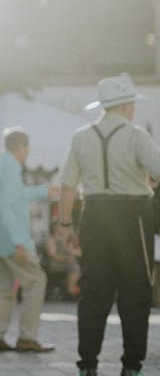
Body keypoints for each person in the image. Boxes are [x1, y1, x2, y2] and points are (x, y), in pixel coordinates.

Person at [57, 74, 160, 376]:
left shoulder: (81, 136)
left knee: (93, 292)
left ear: (104, 106)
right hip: (133, 217)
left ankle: (87, 365)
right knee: (136, 292)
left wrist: (65, 225)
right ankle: (131, 366)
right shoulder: (136, 135)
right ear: (127, 106)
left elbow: (67, 186)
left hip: (95, 214)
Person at [0, 128, 54, 353]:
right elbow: (7, 207)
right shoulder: (12, 167)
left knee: (3, 288)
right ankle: (27, 337)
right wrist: (19, 243)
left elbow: (15, 196)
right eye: (27, 149)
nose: (27, 154)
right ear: (21, 146)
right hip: (12, 240)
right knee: (36, 281)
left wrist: (43, 191)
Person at [44, 220, 81, 299]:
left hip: (69, 263)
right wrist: (67, 259)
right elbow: (53, 255)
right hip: (57, 264)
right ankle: (71, 289)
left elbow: (73, 251)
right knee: (74, 267)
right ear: (55, 228)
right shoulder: (51, 239)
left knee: (78, 266)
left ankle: (76, 289)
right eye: (60, 225)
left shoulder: (65, 239)